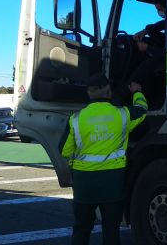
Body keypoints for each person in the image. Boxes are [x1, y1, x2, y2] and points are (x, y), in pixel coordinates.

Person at [60, 73, 147, 245]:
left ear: (89, 93)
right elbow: (142, 109)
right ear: (108, 91)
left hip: (84, 185)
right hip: (112, 184)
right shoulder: (123, 115)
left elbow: (64, 150)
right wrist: (137, 92)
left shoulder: (76, 119)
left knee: (81, 229)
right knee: (111, 230)